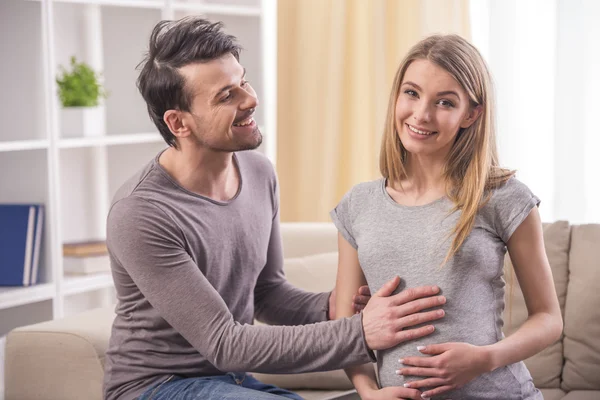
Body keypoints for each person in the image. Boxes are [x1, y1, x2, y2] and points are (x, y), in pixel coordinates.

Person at [103, 17, 448, 400]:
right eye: (226, 96)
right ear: (178, 122)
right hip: (156, 387)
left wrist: (330, 306)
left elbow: (266, 292)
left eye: (243, 81)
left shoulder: (257, 171)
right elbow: (224, 343)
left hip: (233, 382)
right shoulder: (141, 213)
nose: (250, 99)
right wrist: (361, 331)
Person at [331, 34, 563, 400]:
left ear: (471, 114)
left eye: (444, 102)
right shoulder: (357, 205)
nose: (421, 114)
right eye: (411, 93)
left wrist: (484, 359)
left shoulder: (503, 197)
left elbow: (549, 319)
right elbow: (344, 321)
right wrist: (367, 391)